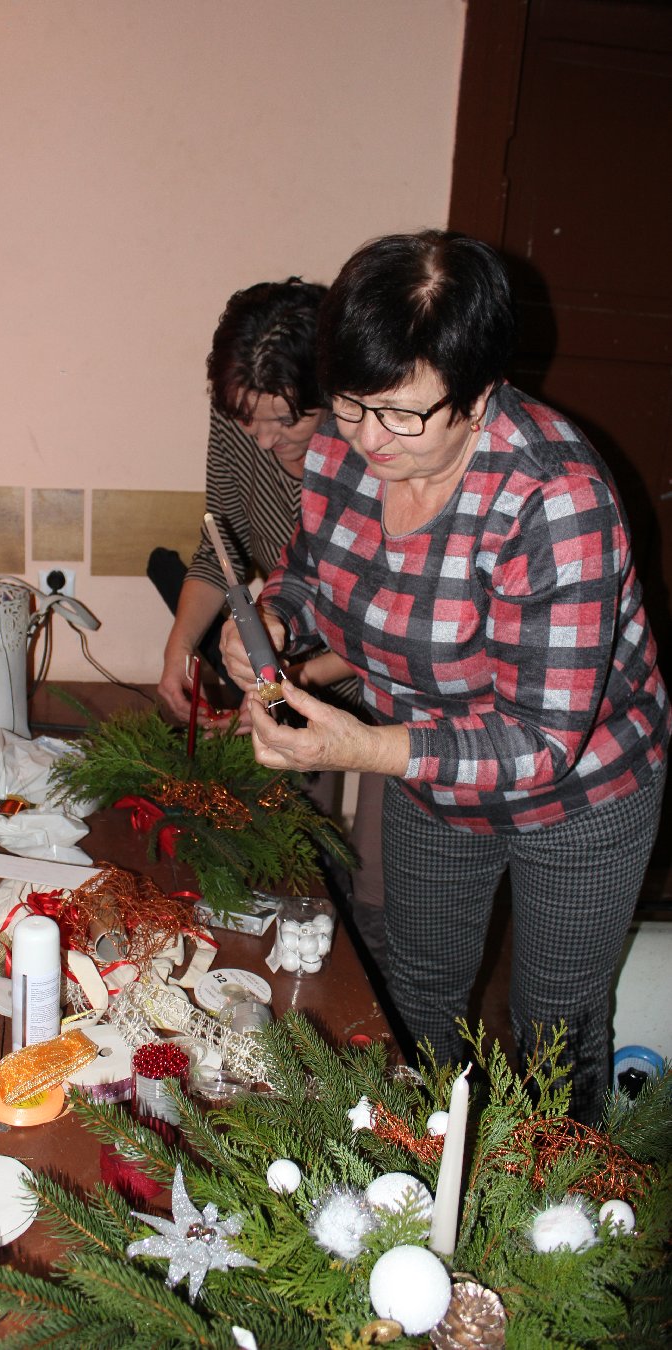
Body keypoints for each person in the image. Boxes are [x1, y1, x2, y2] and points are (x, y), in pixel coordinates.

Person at [220, 230, 670, 1124]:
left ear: (480, 393)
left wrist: (364, 747)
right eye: (350, 404)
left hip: (580, 794)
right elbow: (313, 570)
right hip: (430, 770)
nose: (366, 438)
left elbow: (541, 744)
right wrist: (276, 618)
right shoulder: (347, 445)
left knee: (554, 1032)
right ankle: (419, 1172)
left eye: (400, 415)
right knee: (417, 988)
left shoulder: (555, 498)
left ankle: (553, 1200)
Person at [150, 278, 388, 974]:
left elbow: (384, 624)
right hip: (286, 655)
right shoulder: (245, 420)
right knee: (288, 851)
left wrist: (283, 684)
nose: (263, 438)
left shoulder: (375, 451)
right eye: (247, 419)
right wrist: (179, 650)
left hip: (389, 675)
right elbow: (219, 550)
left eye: (286, 419)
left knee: (379, 885)